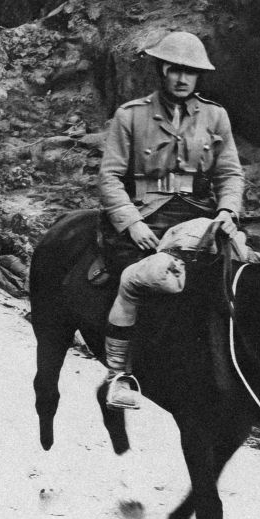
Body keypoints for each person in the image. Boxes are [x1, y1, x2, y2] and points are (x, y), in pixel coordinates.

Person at [95, 31, 246, 411]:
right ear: (162, 70)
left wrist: (227, 212)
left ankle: (252, 370)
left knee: (244, 268)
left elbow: (230, 174)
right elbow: (109, 177)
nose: (182, 78)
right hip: (146, 214)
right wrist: (131, 222)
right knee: (136, 280)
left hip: (199, 214)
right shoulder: (131, 115)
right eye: (175, 69)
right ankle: (119, 375)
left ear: (198, 76)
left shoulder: (215, 116)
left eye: (189, 72)